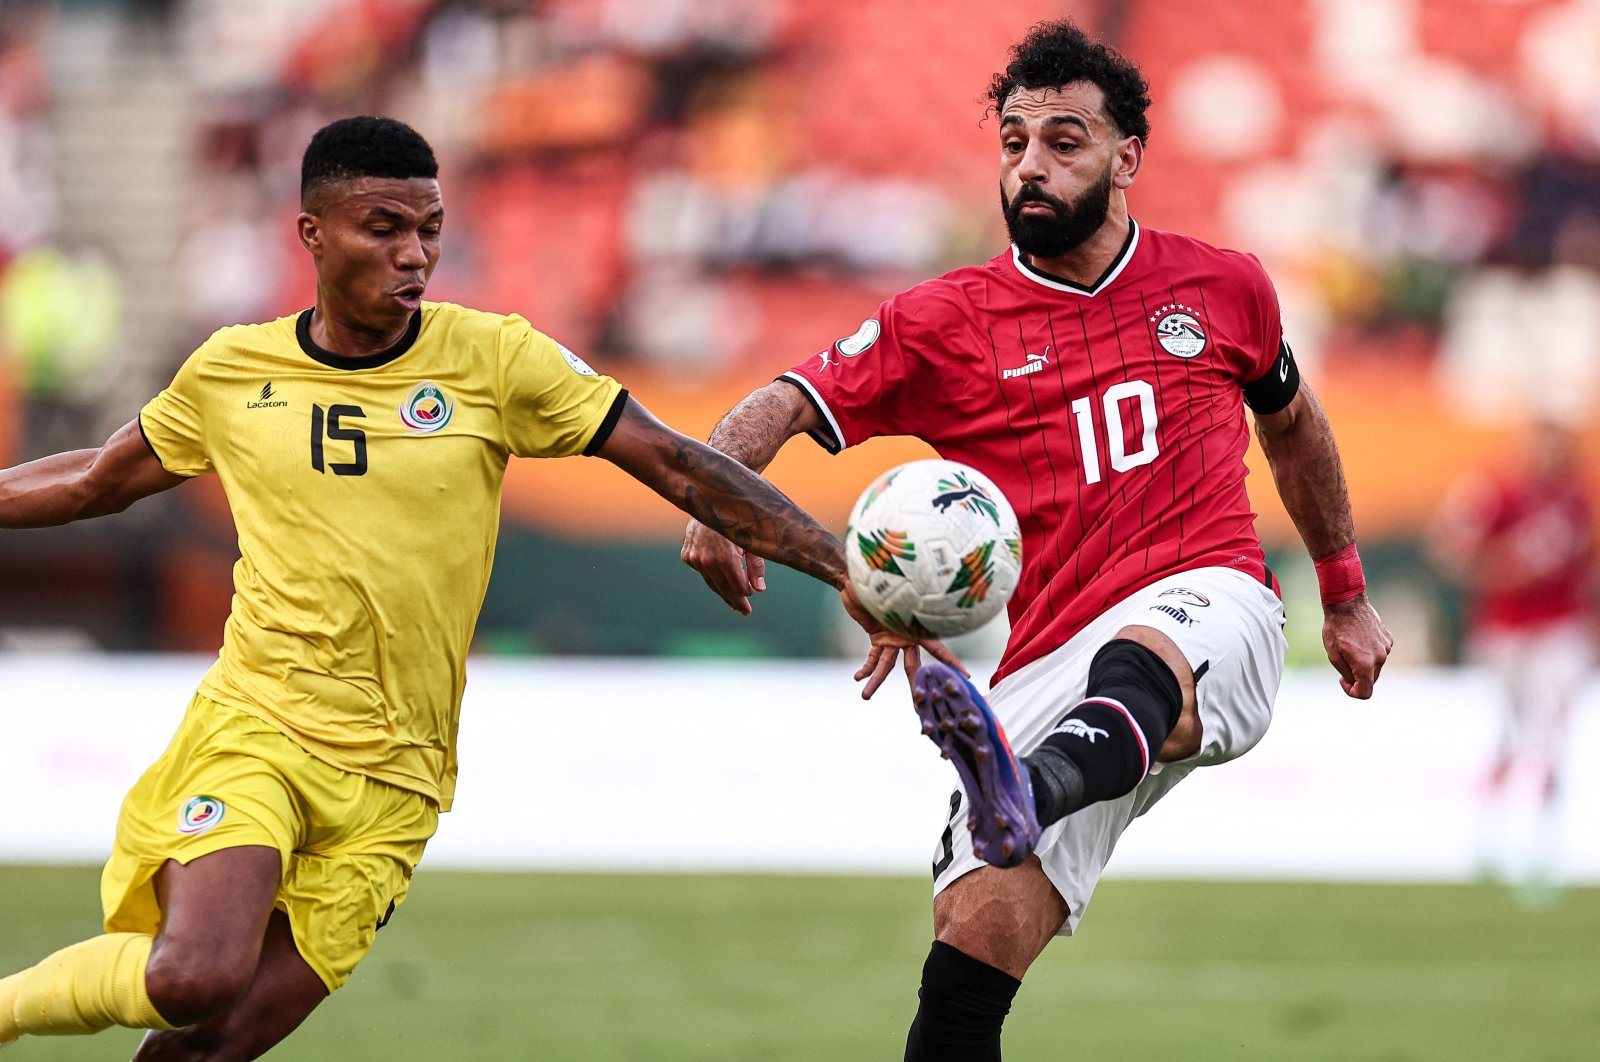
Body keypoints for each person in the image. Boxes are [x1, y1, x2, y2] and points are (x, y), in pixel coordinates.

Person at [0, 116, 948, 1060]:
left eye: (430, 230)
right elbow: (95, 478)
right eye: (383, 228)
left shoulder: (493, 359)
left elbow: (671, 459)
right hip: (259, 729)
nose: (414, 255)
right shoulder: (233, 370)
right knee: (191, 976)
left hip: (397, 782)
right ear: (313, 234)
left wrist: (847, 568)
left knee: (204, 1049)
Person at [681, 20, 1394, 1059]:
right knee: (970, 951)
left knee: (1144, 655)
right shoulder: (945, 321)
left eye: (1063, 140)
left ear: (1125, 158)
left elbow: (1292, 426)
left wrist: (1342, 592)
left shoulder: (1222, 286)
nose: (1031, 165)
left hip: (1214, 601)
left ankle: (1033, 785)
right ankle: (1027, 788)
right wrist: (714, 492)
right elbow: (787, 400)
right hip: (1043, 659)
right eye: (1014, 141)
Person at [1431, 420, 1595, 898]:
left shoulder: (1575, 499)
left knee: (1553, 737)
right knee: (1504, 736)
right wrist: (1500, 568)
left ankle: (1545, 849)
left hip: (1559, 631)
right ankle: (1492, 840)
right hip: (1505, 632)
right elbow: (1451, 549)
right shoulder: (1499, 491)